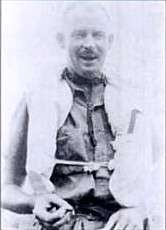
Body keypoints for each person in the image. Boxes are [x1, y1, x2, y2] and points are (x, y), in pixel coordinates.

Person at [2, 2, 163, 230]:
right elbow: (6, 188)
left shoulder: (135, 103)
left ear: (110, 41)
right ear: (61, 40)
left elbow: (158, 176)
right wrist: (34, 201)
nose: (89, 44)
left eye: (97, 35)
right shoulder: (38, 100)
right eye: (79, 35)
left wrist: (139, 209)